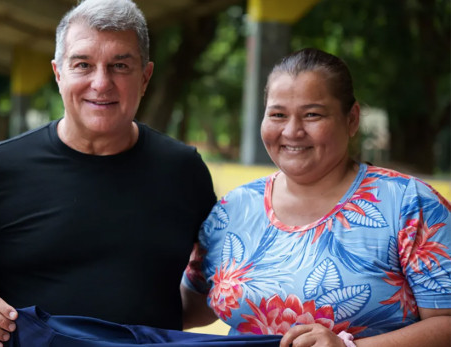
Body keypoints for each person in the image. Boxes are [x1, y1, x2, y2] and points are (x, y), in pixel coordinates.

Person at [0, 0, 216, 345]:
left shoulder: (184, 171)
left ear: (146, 77)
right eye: (83, 64)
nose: (101, 82)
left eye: (120, 65)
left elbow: (232, 280)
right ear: (58, 72)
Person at [181, 48, 451, 347]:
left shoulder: (409, 204)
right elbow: (190, 307)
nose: (292, 131)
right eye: (278, 115)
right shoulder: (232, 210)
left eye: (312, 115)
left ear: (352, 119)